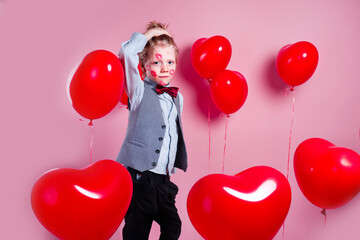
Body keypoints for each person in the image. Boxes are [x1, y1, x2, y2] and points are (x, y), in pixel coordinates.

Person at [116, 21, 188, 240]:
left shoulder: (177, 98)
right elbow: (127, 52)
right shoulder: (137, 91)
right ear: (144, 64)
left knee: (173, 226)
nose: (165, 68)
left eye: (170, 61)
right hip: (139, 176)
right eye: (157, 62)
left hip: (163, 181)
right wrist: (150, 35)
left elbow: (169, 134)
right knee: (137, 231)